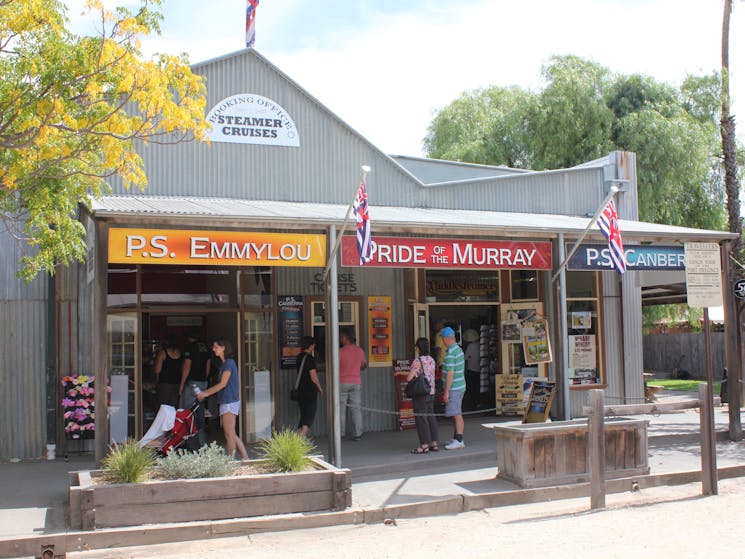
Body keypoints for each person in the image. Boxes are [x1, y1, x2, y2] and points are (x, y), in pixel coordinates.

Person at [195, 337, 248, 460]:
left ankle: (230, 461)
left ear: (223, 348)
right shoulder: (225, 363)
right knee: (231, 434)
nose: (213, 349)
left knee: (229, 434)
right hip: (228, 401)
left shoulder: (229, 363)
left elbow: (222, 384)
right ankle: (245, 459)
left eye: (216, 347)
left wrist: (205, 393)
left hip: (229, 402)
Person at [398, 337, 439, 454]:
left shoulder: (417, 361)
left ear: (418, 348)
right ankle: (434, 443)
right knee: (431, 417)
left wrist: (413, 374)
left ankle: (424, 445)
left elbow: (409, 377)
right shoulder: (432, 360)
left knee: (421, 419)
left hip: (421, 394)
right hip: (431, 392)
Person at [179, 333, 211, 448]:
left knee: (186, 412)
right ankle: (202, 442)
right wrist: (204, 380)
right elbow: (208, 366)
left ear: (189, 338)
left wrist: (182, 384)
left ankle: (185, 441)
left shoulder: (190, 347)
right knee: (200, 411)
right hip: (203, 383)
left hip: (192, 384)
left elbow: (187, 366)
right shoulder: (206, 347)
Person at [338, 328, 367, 441]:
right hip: (356, 382)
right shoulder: (360, 351)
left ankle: (340, 433)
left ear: (346, 338)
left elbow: (334, 366)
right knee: (356, 409)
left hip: (342, 382)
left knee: (340, 409)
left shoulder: (340, 352)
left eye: (341, 337)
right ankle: (358, 433)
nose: (340, 339)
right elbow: (364, 366)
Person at [441, 327, 466, 450]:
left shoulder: (451, 353)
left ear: (445, 339)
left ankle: (460, 440)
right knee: (456, 412)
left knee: (456, 414)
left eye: (442, 339)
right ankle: (456, 438)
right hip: (460, 386)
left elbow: (450, 373)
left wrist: (446, 392)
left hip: (454, 388)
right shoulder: (459, 350)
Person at [296, 335, 323, 437]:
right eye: (313, 344)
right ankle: (301, 436)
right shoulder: (310, 359)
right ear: (310, 345)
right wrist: (319, 388)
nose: (314, 346)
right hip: (309, 390)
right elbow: (313, 376)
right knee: (310, 413)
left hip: (300, 389)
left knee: (303, 413)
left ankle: (299, 437)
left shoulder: (299, 357)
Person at [153, 333, 182, 409]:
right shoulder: (180, 352)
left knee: (163, 407)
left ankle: (163, 421)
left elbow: (157, 370)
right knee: (173, 407)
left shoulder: (163, 352)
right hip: (176, 383)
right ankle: (172, 421)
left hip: (164, 384)